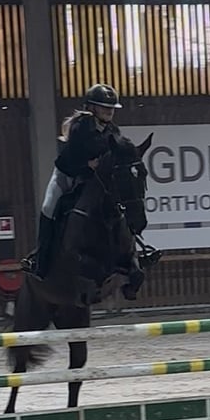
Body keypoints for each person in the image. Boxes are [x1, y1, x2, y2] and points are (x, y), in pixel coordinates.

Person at [21, 83, 123, 280]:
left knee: (119, 206)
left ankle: (130, 252)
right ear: (91, 108)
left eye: (111, 107)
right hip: (68, 176)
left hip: (92, 181)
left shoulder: (114, 131)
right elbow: (76, 157)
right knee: (48, 208)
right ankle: (39, 260)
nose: (109, 111)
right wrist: (88, 164)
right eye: (104, 107)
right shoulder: (80, 127)